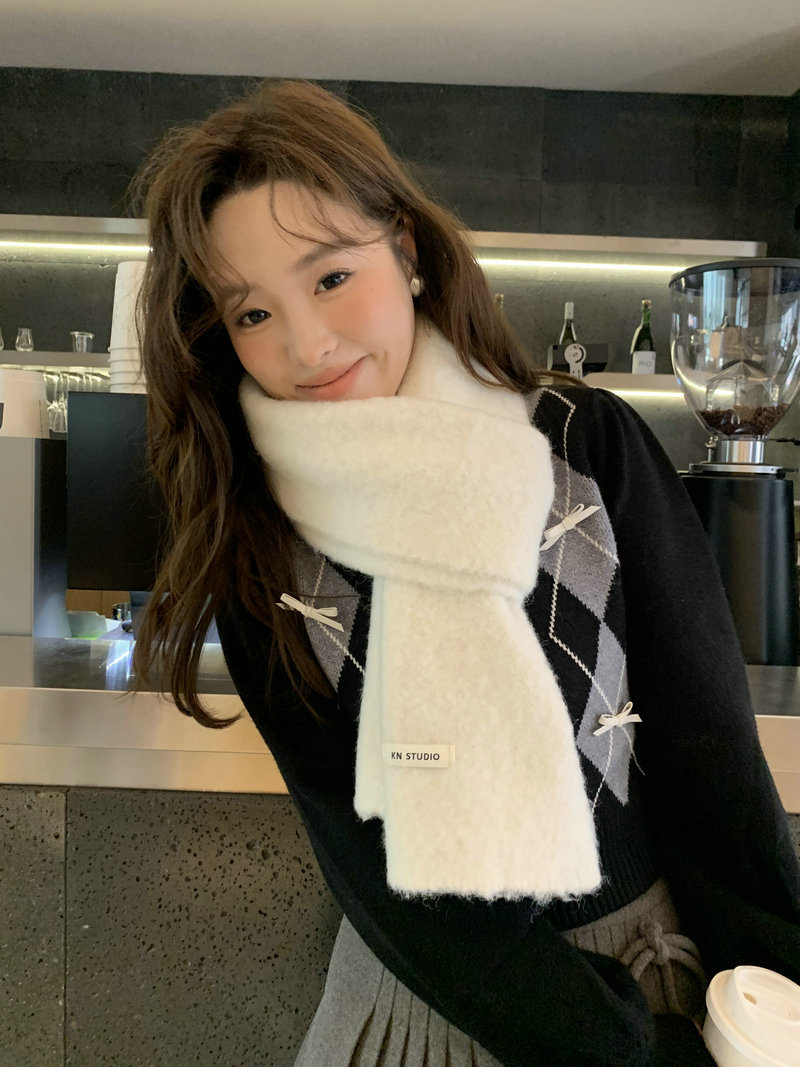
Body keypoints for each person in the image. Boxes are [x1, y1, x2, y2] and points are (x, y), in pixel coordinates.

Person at [131, 80, 800, 1066]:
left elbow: (713, 763)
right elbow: (377, 875)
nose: (306, 344)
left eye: (330, 277)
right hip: (424, 1008)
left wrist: (772, 979)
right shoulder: (255, 539)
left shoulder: (580, 444)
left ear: (405, 250)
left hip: (656, 977)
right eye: (252, 311)